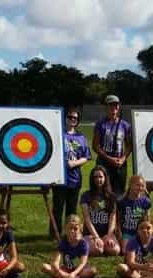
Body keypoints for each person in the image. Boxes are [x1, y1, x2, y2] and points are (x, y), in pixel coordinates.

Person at [51, 107, 91, 236]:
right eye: (70, 117)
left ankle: (70, 232)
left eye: (75, 118)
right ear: (65, 118)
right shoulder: (58, 134)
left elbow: (86, 156)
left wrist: (74, 163)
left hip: (74, 178)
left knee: (71, 208)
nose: (72, 120)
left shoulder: (81, 137)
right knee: (57, 207)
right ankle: (55, 233)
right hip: (59, 177)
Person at [42, 214, 97, 278]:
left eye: (75, 229)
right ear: (65, 228)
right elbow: (55, 262)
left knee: (93, 271)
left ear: (80, 228)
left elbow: (82, 263)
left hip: (80, 271)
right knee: (44, 266)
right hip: (66, 269)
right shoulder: (63, 241)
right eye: (70, 228)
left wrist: (73, 274)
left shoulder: (83, 243)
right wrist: (62, 273)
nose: (72, 231)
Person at [92, 95, 132, 196]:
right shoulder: (100, 124)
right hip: (104, 162)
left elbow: (129, 145)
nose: (113, 107)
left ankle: (117, 212)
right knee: (103, 190)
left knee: (119, 192)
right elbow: (95, 146)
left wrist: (123, 158)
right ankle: (105, 212)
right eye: (111, 105)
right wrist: (109, 158)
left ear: (119, 107)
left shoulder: (125, 125)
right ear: (106, 107)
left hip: (120, 163)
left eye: (116, 105)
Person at [81, 166, 120, 256]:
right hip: (91, 233)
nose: (98, 179)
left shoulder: (112, 196)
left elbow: (112, 217)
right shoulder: (86, 196)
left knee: (115, 251)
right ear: (92, 179)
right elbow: (87, 219)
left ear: (105, 178)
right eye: (95, 177)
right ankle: (93, 244)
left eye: (101, 177)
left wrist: (109, 235)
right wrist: (96, 237)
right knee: (97, 250)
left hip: (107, 233)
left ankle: (104, 244)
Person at [117, 175, 151, 252]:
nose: (140, 188)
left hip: (140, 232)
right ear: (130, 186)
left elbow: (148, 219)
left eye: (142, 186)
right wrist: (119, 231)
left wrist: (147, 233)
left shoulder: (145, 201)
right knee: (125, 250)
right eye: (137, 185)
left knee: (146, 249)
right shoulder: (122, 201)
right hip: (127, 231)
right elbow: (118, 218)